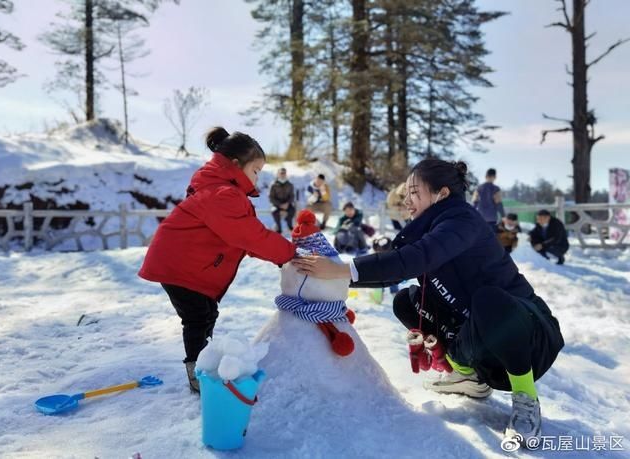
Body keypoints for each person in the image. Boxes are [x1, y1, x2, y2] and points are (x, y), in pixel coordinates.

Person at [291, 158, 564, 448]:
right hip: (479, 334)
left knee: (490, 300)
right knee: (406, 301)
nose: (407, 200)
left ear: (441, 195)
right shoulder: (430, 227)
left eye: (414, 192)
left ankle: (525, 397)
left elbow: (415, 259)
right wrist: (337, 276)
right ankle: (470, 376)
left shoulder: (462, 221)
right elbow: (400, 268)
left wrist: (342, 271)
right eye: (406, 193)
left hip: (529, 337)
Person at [138, 127, 296, 393]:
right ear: (236, 165)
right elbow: (251, 236)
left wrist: (280, 257)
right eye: (255, 171)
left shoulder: (222, 191)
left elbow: (245, 239)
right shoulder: (223, 194)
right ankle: (199, 375)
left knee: (206, 313)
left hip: (186, 265)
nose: (257, 179)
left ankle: (205, 365)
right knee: (198, 317)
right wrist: (290, 254)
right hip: (179, 265)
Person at [269, 167, 296, 233]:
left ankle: (289, 224)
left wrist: (287, 203)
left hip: (287, 204)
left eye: (284, 173)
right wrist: (280, 204)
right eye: (281, 173)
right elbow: (271, 197)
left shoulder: (290, 185)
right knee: (274, 212)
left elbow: (292, 196)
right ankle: (279, 228)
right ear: (278, 174)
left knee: (292, 210)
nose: (282, 174)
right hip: (277, 205)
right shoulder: (273, 185)